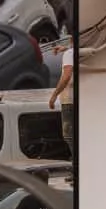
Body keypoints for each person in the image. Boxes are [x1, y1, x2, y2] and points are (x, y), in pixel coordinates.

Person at [48, 41, 74, 181]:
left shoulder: (69, 54)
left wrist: (54, 95)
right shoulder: (75, 51)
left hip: (69, 100)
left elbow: (67, 75)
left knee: (69, 136)